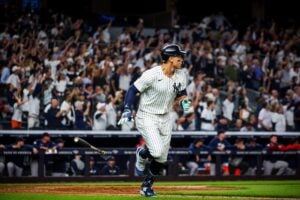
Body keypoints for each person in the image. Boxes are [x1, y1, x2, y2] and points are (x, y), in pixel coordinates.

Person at [118, 43, 191, 197]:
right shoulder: (152, 74)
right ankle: (142, 153)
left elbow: (182, 93)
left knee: (162, 157)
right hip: (147, 116)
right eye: (179, 56)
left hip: (165, 117)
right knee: (157, 151)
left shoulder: (181, 75)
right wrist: (126, 109)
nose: (182, 59)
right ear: (170, 58)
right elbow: (132, 90)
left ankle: (146, 187)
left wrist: (185, 103)